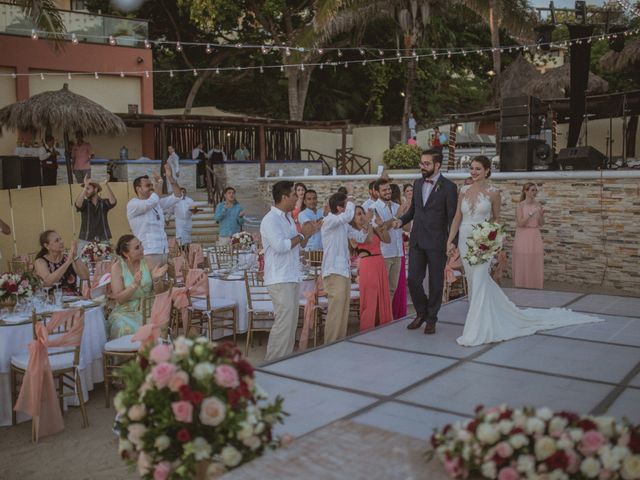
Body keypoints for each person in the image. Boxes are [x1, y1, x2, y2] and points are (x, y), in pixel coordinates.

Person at [446, 156, 602, 346]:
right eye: (471, 168)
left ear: (487, 170)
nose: (474, 172)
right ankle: (487, 316)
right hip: (464, 238)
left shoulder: (494, 192)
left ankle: (475, 329)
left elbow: (497, 218)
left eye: (478, 169)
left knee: (479, 279)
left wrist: (491, 240)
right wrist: (450, 241)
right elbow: (456, 218)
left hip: (483, 240)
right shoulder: (462, 190)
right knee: (473, 281)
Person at [395, 149, 458, 334]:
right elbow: (413, 211)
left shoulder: (448, 187)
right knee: (413, 279)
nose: (422, 167)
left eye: (426, 164)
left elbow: (452, 216)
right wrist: (401, 221)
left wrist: (452, 241)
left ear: (437, 165)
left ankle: (432, 318)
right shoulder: (417, 183)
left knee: (436, 283)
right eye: (421, 163)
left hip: (438, 242)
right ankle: (421, 312)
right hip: (417, 241)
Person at [260, 181, 320, 361]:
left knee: (291, 323)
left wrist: (308, 233)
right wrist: (301, 235)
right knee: (283, 323)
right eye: (294, 194)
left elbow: (298, 245)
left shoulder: (288, 218)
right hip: (279, 278)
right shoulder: (270, 219)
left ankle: (284, 361)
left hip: (291, 275)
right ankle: (272, 363)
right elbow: (281, 246)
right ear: (285, 197)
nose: (297, 197)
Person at [321, 189, 367, 343]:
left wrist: (368, 225)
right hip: (333, 271)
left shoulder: (343, 224)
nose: (351, 211)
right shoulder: (329, 220)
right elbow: (348, 216)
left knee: (343, 309)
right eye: (346, 206)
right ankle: (330, 343)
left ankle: (339, 341)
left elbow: (359, 237)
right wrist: (352, 199)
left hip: (344, 271)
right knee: (335, 309)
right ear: (340, 208)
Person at [107, 235, 168, 339]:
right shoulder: (117, 267)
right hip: (125, 311)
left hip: (149, 308)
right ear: (126, 254)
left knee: (150, 325)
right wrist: (134, 285)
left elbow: (160, 293)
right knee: (121, 326)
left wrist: (156, 280)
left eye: (141, 245)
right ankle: (127, 354)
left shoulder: (148, 261)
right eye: (137, 248)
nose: (142, 249)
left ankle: (148, 353)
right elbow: (120, 299)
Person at [127, 163, 182, 268]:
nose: (151, 188)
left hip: (163, 250)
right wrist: (160, 182)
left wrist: (170, 178)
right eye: (148, 186)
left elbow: (178, 196)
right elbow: (152, 201)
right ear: (138, 189)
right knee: (150, 283)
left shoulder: (156, 202)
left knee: (163, 284)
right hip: (148, 252)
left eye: (152, 185)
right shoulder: (133, 204)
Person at [352, 206, 392, 331]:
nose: (362, 215)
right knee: (370, 297)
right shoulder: (352, 232)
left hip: (379, 263)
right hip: (367, 265)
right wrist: (368, 222)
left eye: (362, 213)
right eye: (358, 214)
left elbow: (387, 239)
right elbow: (367, 240)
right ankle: (367, 328)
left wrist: (381, 226)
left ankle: (383, 326)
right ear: (352, 218)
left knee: (382, 294)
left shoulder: (373, 229)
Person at [372, 178, 404, 302]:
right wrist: (397, 216)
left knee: (392, 290)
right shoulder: (373, 208)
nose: (388, 192)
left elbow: (407, 227)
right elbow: (382, 228)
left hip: (397, 253)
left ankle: (388, 319)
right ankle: (381, 320)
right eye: (384, 190)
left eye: (389, 189)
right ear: (376, 192)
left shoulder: (397, 206)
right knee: (381, 291)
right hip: (384, 254)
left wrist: (406, 214)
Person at [34, 230, 89, 295]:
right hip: (53, 301)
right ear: (47, 246)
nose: (61, 242)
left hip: (74, 299)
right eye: (57, 241)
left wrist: (75, 255)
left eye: (61, 239)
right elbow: (47, 283)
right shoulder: (40, 261)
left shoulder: (68, 257)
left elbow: (85, 276)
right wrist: (67, 263)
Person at [512, 182, 545, 289]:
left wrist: (541, 214)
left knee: (534, 258)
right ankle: (521, 284)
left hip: (535, 234)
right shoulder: (520, 205)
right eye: (532, 190)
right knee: (522, 258)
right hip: (523, 234)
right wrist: (530, 214)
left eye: (536, 190)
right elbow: (520, 223)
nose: (535, 192)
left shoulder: (538, 205)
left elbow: (541, 223)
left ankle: (534, 284)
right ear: (525, 191)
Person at [75, 174, 116, 248]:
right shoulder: (85, 203)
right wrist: (85, 188)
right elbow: (78, 204)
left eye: (88, 188)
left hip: (103, 238)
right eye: (85, 188)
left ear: (96, 189)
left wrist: (106, 185)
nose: (86, 191)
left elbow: (113, 202)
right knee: (83, 259)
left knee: (105, 259)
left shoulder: (103, 202)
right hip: (86, 239)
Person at [390, 184, 408, 320]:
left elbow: (407, 227)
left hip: (398, 248)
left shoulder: (398, 208)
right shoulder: (377, 208)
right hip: (389, 249)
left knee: (398, 282)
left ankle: (399, 312)